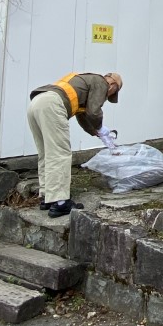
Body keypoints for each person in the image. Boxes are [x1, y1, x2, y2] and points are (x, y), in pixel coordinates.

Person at [27, 72, 123, 217]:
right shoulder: (101, 82)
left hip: (37, 103)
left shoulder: (85, 82)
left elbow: (83, 115)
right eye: (113, 92)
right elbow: (94, 112)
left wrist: (93, 131)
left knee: (46, 153)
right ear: (113, 85)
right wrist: (101, 127)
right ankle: (60, 202)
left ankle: (48, 197)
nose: (108, 95)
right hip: (53, 105)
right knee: (60, 154)